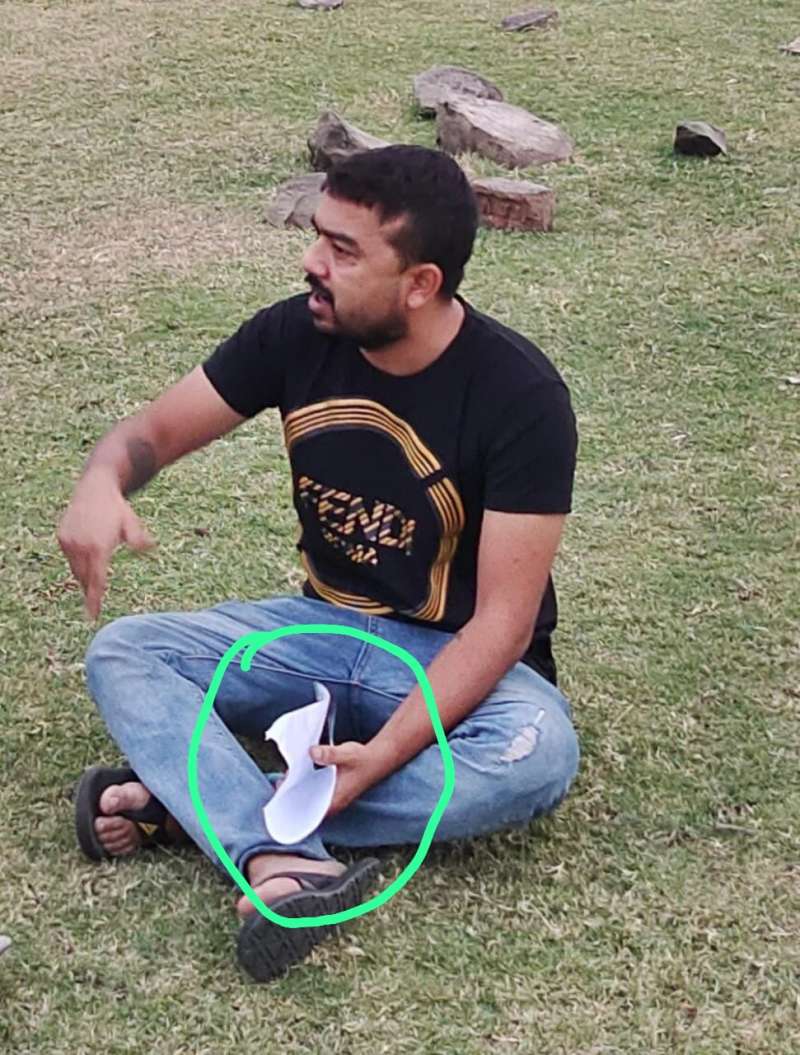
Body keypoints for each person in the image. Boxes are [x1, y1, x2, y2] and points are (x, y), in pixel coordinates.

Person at [58, 145, 580, 982]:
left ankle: (201, 807)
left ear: (420, 283)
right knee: (126, 650)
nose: (312, 262)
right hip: (322, 633)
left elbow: (504, 625)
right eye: (318, 236)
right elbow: (148, 435)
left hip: (453, 661)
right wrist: (101, 479)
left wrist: (384, 752)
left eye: (343, 249)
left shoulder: (519, 395)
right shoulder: (293, 334)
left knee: (539, 752)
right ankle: (280, 852)